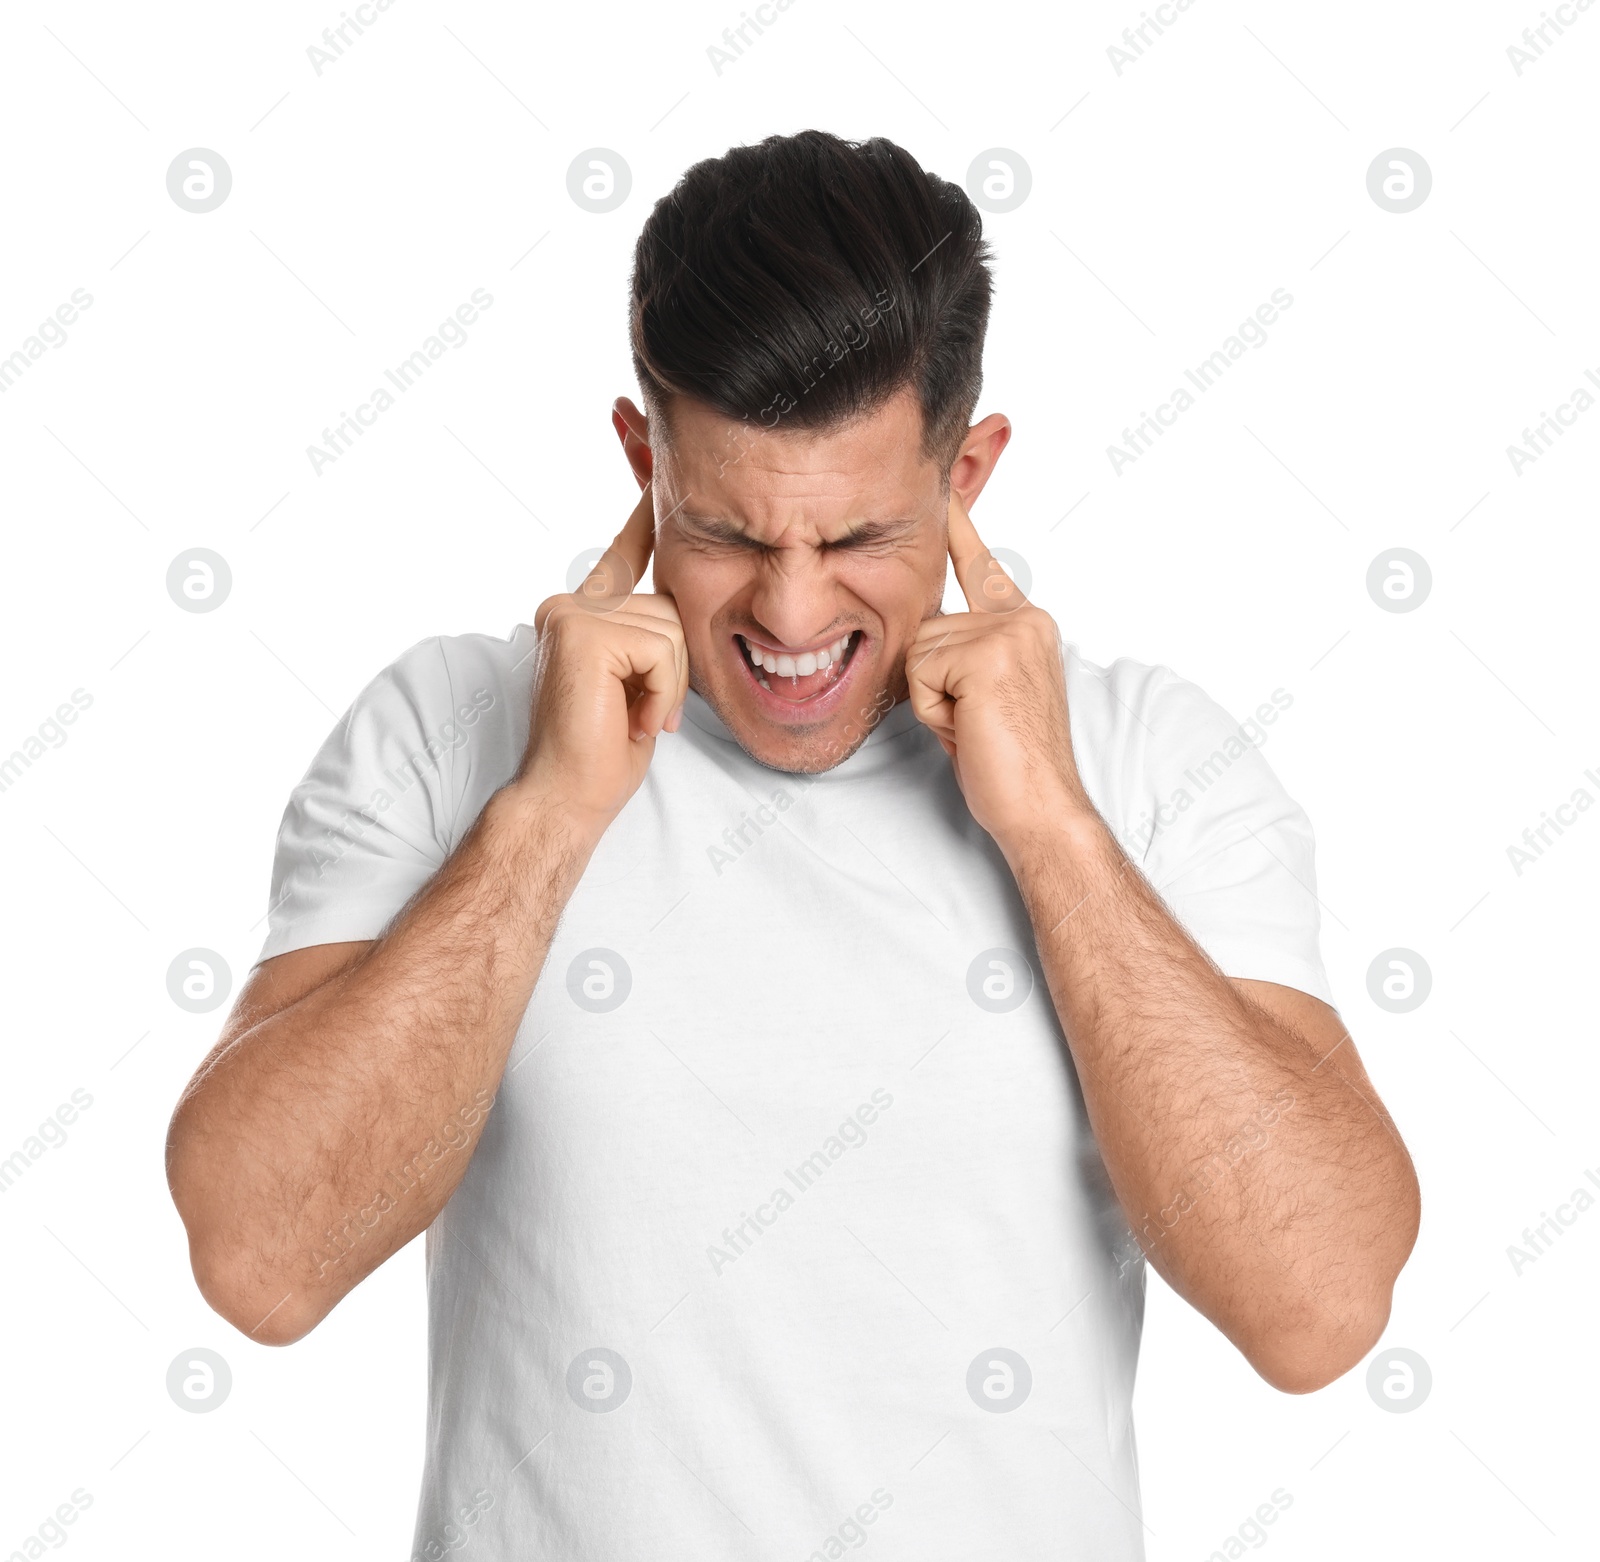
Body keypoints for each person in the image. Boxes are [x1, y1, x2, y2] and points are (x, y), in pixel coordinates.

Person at [167, 129, 1419, 1559]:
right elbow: (261, 1263)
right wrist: (543, 822)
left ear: (973, 474)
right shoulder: (451, 729)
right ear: (642, 464)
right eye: (726, 531)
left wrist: (1053, 832)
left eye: (864, 536)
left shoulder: (1148, 765)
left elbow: (1320, 1307)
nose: (793, 612)